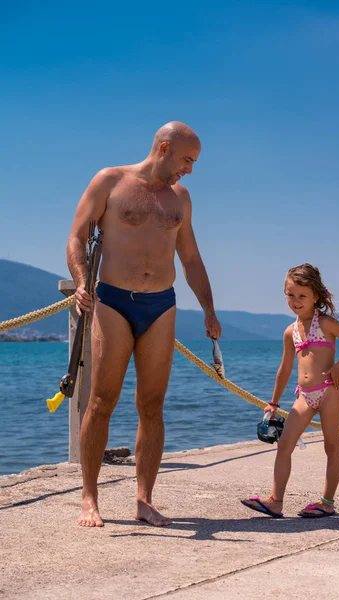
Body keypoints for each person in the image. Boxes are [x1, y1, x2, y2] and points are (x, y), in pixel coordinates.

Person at [67, 121, 222, 528]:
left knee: (152, 405)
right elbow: (76, 237)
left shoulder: (181, 199)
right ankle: (89, 497)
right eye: (188, 159)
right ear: (165, 148)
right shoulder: (110, 181)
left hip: (161, 305)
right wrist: (83, 283)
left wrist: (208, 309)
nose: (190, 169)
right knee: (102, 401)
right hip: (114, 301)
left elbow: (190, 258)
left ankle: (144, 500)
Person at [241, 263, 339, 518]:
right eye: (290, 295)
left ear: (316, 296)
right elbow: (284, 369)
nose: (296, 301)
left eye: (302, 296)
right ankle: (275, 501)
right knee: (284, 444)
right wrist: (273, 403)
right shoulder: (290, 331)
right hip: (304, 396)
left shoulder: (327, 323)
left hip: (329, 391)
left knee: (332, 447)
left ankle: (326, 502)